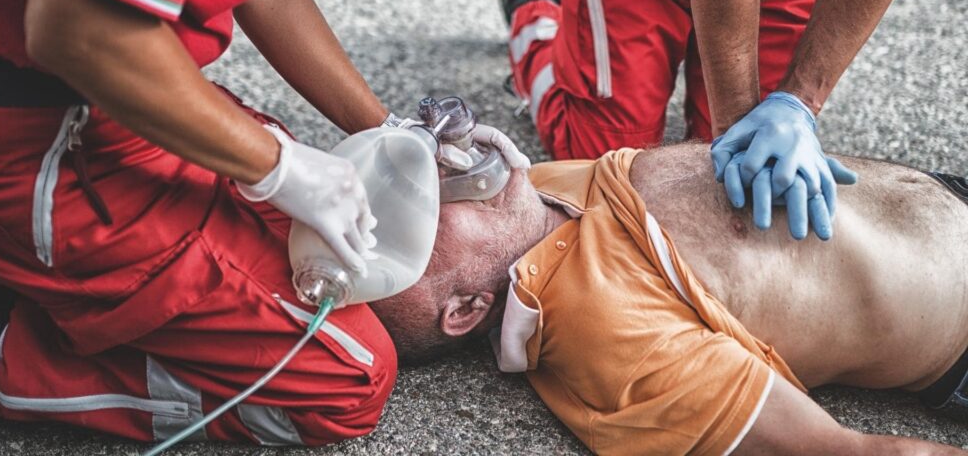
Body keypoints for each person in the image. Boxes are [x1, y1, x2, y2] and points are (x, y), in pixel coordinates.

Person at [0, 0, 526, 446]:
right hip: (29, 142)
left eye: (485, 193)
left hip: (81, 98)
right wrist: (278, 167)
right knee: (346, 380)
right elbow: (81, 31)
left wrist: (381, 130)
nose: (468, 178)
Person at [369, 143, 968, 455]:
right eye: (413, 224)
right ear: (467, 309)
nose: (427, 183)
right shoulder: (611, 345)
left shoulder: (533, 200)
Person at [498, 0, 945, 241]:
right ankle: (534, 15)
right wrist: (734, 128)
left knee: (748, 185)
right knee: (600, 166)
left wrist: (799, 103)